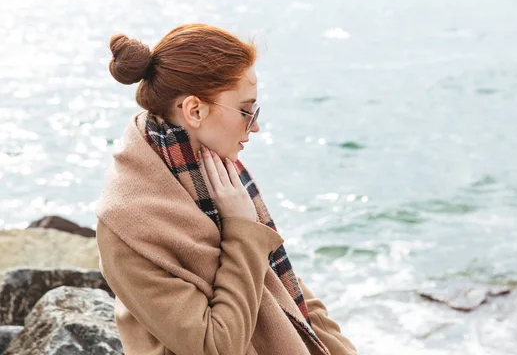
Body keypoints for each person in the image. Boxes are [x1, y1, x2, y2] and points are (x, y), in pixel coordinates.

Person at [95, 24, 358, 355]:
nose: (256, 125)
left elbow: (295, 298)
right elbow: (215, 346)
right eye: (247, 110)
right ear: (195, 111)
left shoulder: (214, 175)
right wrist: (242, 231)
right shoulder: (127, 221)